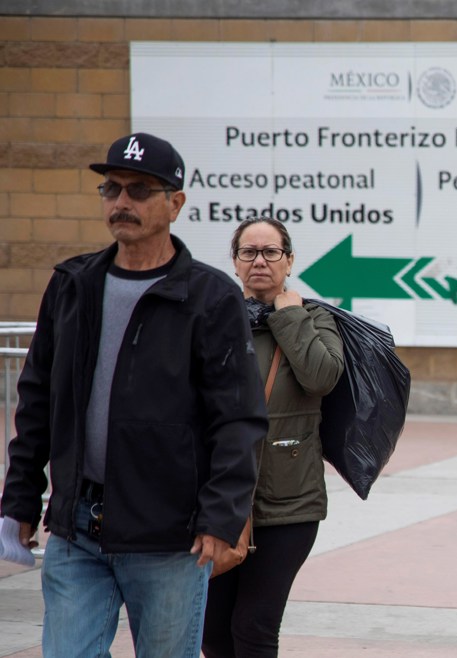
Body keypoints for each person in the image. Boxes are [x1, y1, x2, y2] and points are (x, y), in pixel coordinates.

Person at [0, 132, 268, 657]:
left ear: (175, 203)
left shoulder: (210, 297)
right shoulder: (72, 284)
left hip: (170, 537)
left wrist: (221, 516)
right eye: (112, 188)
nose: (122, 201)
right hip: (78, 529)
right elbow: (37, 401)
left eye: (140, 190)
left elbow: (238, 419)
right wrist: (21, 498)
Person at [201, 218, 345, 658]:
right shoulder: (212, 319)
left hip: (288, 505)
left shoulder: (314, 318)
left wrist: (289, 316)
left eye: (270, 252)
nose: (260, 261)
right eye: (249, 252)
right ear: (235, 262)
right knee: (212, 631)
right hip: (220, 500)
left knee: (254, 627)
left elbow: (322, 377)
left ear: (289, 260)